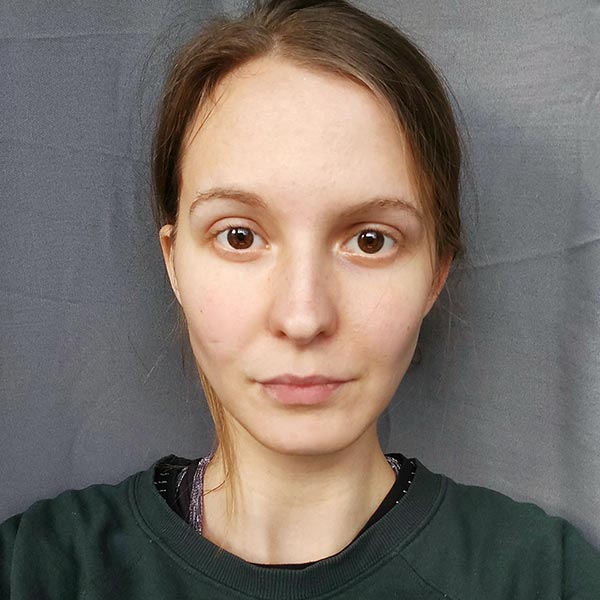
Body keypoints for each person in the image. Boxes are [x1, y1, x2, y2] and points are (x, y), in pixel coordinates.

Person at [1, 0, 599, 598]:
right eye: (240, 236)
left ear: (435, 275)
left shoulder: (542, 578)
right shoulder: (40, 571)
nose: (303, 316)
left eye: (370, 241)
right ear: (173, 261)